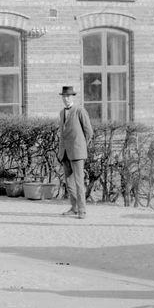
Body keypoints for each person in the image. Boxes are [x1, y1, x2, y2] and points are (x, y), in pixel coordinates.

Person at [57, 85, 93, 219]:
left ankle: (82, 210)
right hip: (65, 152)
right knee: (69, 182)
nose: (66, 99)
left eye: (68, 96)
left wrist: (81, 146)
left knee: (78, 182)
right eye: (64, 96)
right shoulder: (62, 113)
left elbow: (89, 132)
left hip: (77, 152)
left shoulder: (80, 111)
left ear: (72, 97)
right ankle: (74, 207)